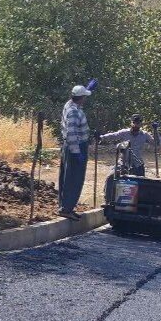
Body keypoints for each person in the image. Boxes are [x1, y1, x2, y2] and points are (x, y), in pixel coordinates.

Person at [58, 84, 91, 220]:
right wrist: (77, 153)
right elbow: (71, 133)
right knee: (74, 179)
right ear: (81, 98)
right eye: (84, 97)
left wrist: (88, 88)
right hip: (75, 147)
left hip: (71, 146)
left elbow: (75, 99)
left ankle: (66, 206)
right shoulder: (74, 112)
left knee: (67, 178)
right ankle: (66, 208)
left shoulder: (70, 105)